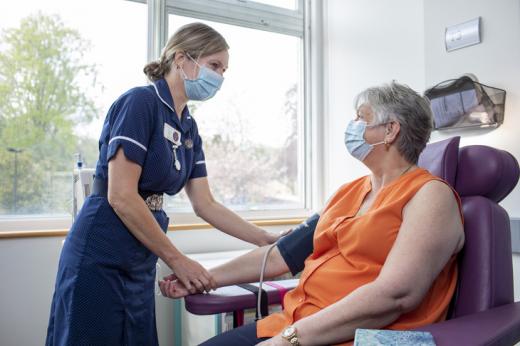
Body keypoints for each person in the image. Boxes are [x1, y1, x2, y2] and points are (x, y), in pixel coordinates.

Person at [160, 82, 465, 346]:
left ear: (390, 130)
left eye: (361, 118)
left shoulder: (429, 196)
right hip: (294, 325)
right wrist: (205, 278)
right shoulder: (349, 192)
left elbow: (396, 295)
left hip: (357, 336)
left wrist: (291, 338)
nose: (353, 126)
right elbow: (281, 256)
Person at [45, 22, 282, 346]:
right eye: (214, 65)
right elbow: (121, 196)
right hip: (102, 246)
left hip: (141, 253)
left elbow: (205, 204)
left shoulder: (188, 127)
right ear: (182, 58)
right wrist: (177, 260)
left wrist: (266, 240)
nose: (220, 78)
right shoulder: (140, 104)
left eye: (224, 70)